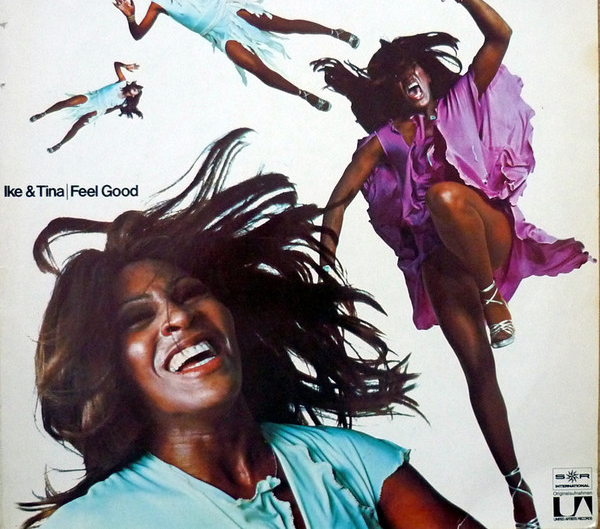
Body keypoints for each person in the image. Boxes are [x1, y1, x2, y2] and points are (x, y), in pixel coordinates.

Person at [20, 130, 485, 529]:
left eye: (190, 293)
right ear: (111, 366)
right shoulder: (92, 522)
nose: (178, 317)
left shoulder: (356, 462)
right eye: (137, 318)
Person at [312, 0, 593, 529]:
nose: (407, 80)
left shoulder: (463, 96)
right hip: (439, 263)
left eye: (411, 69)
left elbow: (500, 35)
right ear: (390, 90)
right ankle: (519, 490)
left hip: (486, 232)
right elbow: (336, 204)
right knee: (478, 372)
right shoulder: (384, 141)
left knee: (444, 196)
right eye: (396, 78)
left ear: (426, 70)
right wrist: (327, 274)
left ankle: (492, 296)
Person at [112, 0, 359, 112]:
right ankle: (304, 94)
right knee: (257, 69)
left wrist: (239, 5)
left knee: (285, 25)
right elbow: (138, 34)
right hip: (219, 35)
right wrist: (131, 17)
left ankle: (335, 32)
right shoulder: (160, 3)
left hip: (231, 11)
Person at [29, 62, 143, 153]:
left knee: (77, 126)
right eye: (135, 88)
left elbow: (109, 110)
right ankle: (43, 113)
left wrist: (97, 113)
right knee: (68, 102)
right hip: (92, 97)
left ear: (133, 96)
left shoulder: (122, 102)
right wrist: (125, 66)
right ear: (131, 86)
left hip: (97, 109)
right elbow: (116, 64)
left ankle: (59, 144)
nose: (134, 91)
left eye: (136, 92)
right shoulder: (122, 82)